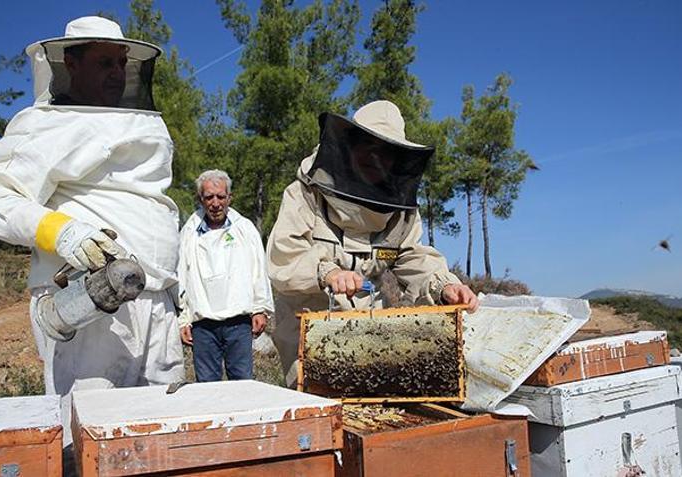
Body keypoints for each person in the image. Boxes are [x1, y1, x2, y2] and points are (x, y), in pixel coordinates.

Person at [0, 16, 184, 434]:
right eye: (105, 63)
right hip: (92, 302)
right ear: (71, 63)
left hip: (155, 302)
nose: (118, 73)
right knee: (89, 432)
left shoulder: (143, 122)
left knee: (164, 434)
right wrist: (62, 232)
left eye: (122, 63)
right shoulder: (46, 124)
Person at [266, 100, 480, 386]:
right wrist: (326, 272)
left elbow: (410, 255)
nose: (374, 156)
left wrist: (443, 285)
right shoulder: (306, 194)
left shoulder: (399, 211)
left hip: (367, 331)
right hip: (306, 328)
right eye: (368, 145)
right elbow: (285, 256)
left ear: (397, 159)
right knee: (318, 415)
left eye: (386, 151)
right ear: (350, 146)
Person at [177, 170, 274, 382]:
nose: (215, 203)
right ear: (200, 199)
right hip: (203, 325)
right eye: (209, 197)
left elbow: (259, 270)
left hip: (239, 323)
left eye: (220, 196)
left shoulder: (244, 229)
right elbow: (181, 277)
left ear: (230, 197)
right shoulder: (189, 233)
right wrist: (183, 320)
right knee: (207, 388)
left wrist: (261, 309)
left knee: (242, 384)